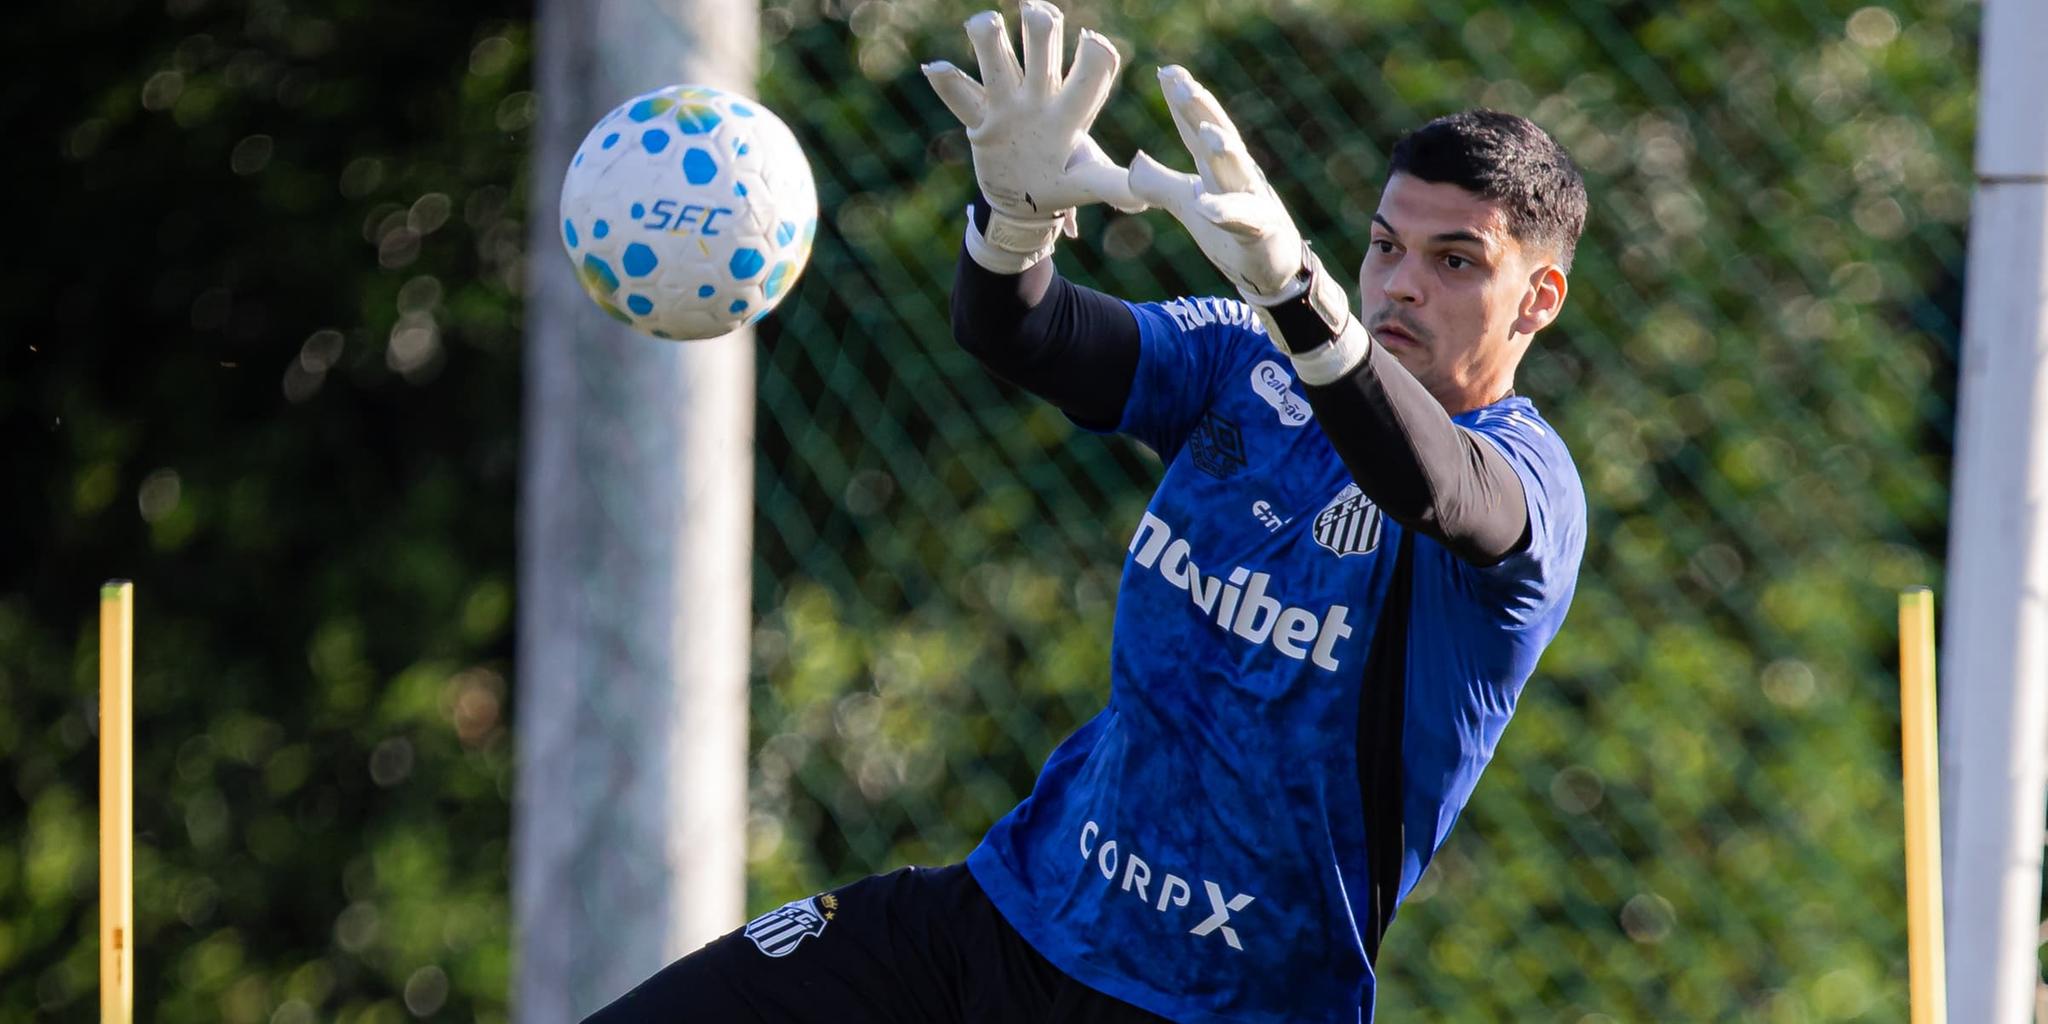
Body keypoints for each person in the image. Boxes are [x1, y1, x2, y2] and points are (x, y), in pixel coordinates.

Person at [584, 2, 1586, 1021]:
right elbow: (1024, 334)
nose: (1399, 285)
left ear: (1537, 297)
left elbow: (1428, 484)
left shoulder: (1527, 485)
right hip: (1004, 917)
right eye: (1383, 247)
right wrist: (1012, 226)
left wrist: (1300, 295)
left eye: (1453, 261)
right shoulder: (1246, 364)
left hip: (1222, 1003)